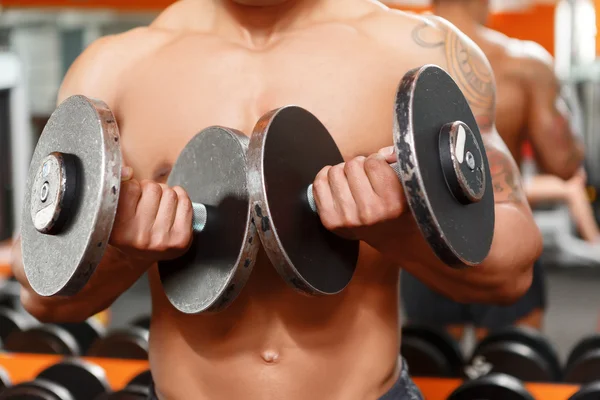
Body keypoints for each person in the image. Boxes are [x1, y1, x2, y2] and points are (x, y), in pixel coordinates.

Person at [10, 1, 542, 399]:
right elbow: (44, 294)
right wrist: (130, 248)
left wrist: (392, 226)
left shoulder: (414, 50)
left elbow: (511, 269)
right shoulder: (116, 69)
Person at [402, 0, 585, 342]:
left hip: (426, 243)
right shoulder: (525, 64)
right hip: (503, 237)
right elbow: (563, 163)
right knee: (509, 371)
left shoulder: (391, 57)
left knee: (434, 371)